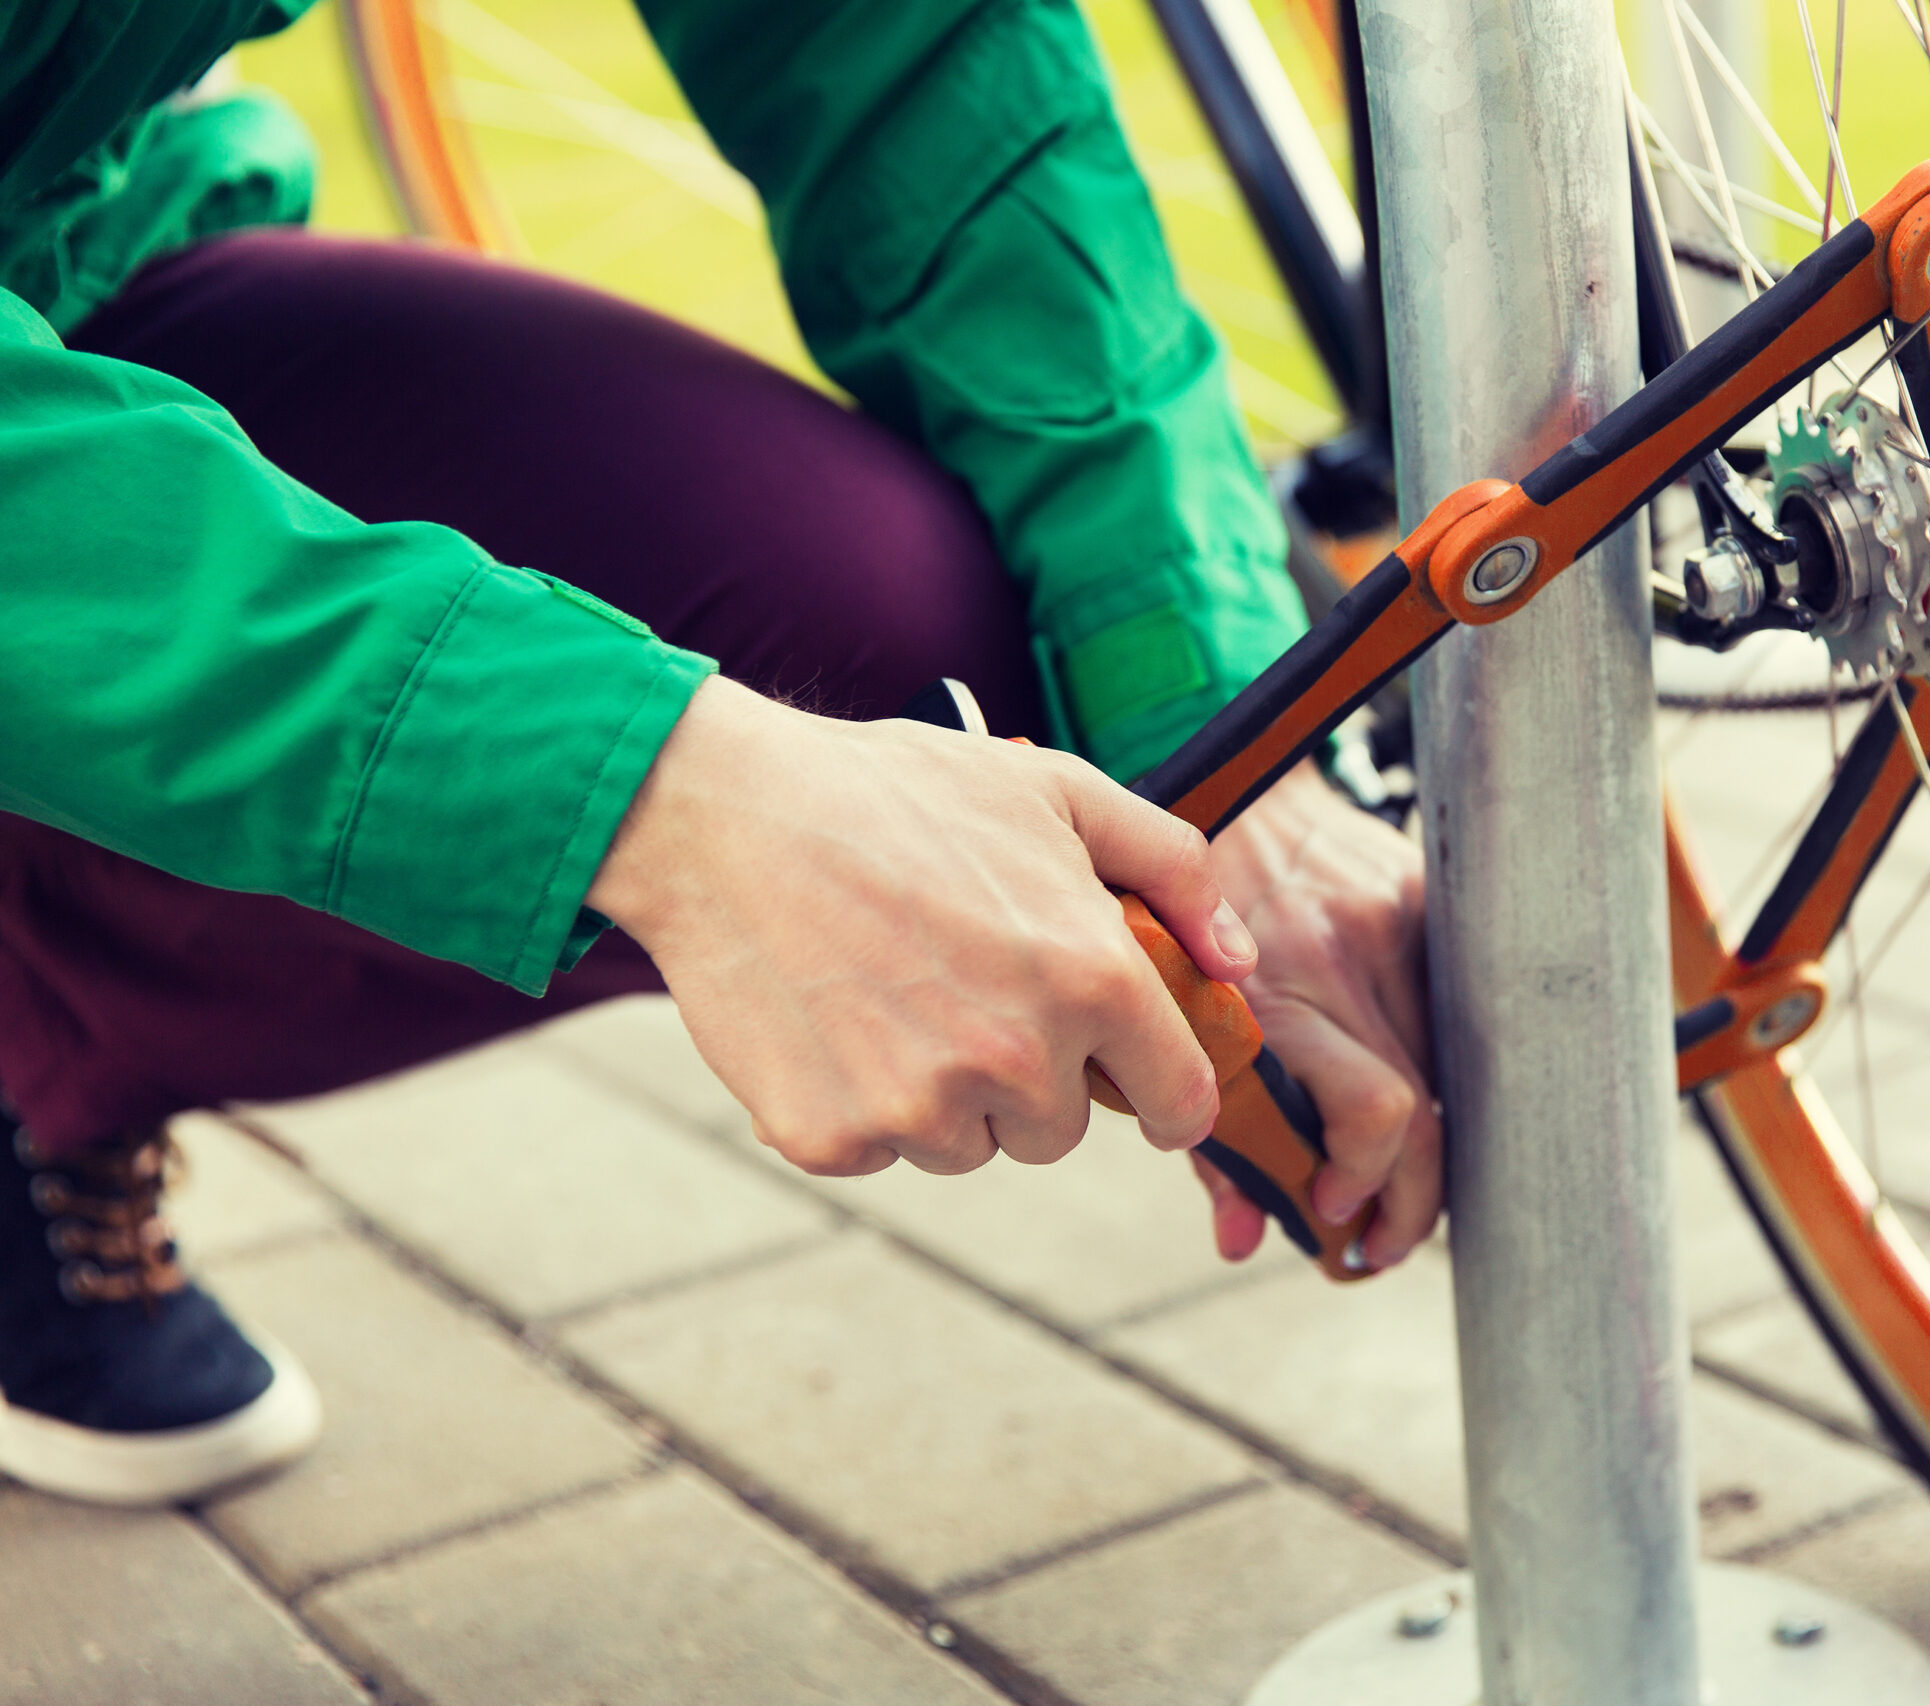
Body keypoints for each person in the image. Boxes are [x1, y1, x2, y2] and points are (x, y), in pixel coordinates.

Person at [0, 0, 1439, 1508]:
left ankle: (51, 1038)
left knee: (906, 645)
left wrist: (1207, 742)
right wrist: (655, 788)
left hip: (70, 254)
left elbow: (907, 46)